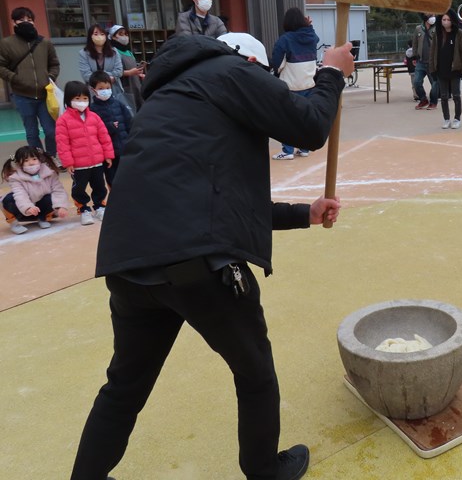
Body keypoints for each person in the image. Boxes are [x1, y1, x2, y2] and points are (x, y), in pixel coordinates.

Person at [69, 32, 353, 480]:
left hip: (128, 262)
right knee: (254, 372)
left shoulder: (168, 96)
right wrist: (332, 72)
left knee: (123, 388)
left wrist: (305, 214)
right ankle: (264, 470)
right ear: (250, 62)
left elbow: (215, 201)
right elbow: (310, 126)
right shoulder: (233, 70)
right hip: (198, 264)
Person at [0, 7, 60, 157]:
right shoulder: (6, 44)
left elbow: (54, 64)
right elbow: (1, 66)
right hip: (22, 96)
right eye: (21, 20)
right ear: (14, 22)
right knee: (32, 132)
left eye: (29, 20)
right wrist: (15, 78)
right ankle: (37, 158)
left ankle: (52, 157)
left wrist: (50, 77)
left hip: (45, 95)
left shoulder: (44, 42)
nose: (26, 22)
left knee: (51, 130)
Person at [56, 80, 114, 226]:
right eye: (77, 98)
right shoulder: (63, 121)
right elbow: (62, 144)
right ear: (68, 99)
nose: (81, 101)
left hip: (97, 161)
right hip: (78, 164)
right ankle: (83, 209)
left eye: (85, 98)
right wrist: (68, 162)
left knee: (99, 185)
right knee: (79, 188)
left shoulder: (94, 117)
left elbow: (104, 137)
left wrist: (108, 155)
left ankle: (100, 206)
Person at [270, 8, 318, 160]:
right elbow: (314, 36)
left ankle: (288, 150)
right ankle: (304, 148)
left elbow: (277, 64)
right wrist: (309, 26)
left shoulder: (285, 39)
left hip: (290, 85)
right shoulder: (311, 37)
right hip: (309, 84)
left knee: (287, 119)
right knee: (305, 118)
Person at [2, 146, 69, 235]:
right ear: (19, 163)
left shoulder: (49, 172)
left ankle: (42, 218)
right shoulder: (15, 177)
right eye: (26, 160)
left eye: (34, 159)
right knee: (8, 199)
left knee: (49, 198)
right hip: (23, 211)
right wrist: (28, 207)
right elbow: (20, 194)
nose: (31, 163)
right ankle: (14, 223)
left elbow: (58, 190)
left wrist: (61, 206)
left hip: (40, 209)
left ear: (39, 159)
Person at [89, 71, 132, 186]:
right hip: (108, 153)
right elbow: (93, 131)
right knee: (112, 179)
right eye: (101, 88)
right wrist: (110, 127)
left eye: (107, 87)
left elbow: (130, 124)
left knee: (128, 177)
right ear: (93, 90)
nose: (105, 90)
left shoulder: (119, 104)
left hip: (124, 149)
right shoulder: (92, 110)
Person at [429, 9, 462, 129]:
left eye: (448, 20)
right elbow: (432, 52)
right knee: (444, 96)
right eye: (444, 19)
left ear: (453, 20)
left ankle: (457, 118)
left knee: (456, 95)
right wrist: (432, 69)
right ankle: (446, 119)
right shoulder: (437, 33)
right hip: (441, 69)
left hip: (455, 69)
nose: (446, 22)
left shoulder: (458, 33)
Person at [108, 24, 145, 111]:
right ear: (113, 37)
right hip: (125, 87)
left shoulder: (128, 52)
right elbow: (113, 72)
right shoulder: (113, 52)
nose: (124, 36)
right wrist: (129, 72)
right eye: (121, 34)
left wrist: (139, 72)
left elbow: (133, 67)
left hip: (136, 85)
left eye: (125, 34)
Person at [410, 12, 439, 110]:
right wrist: (414, 57)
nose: (433, 17)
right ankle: (423, 99)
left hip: (433, 62)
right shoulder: (418, 29)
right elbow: (415, 44)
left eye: (434, 15)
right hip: (421, 61)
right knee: (416, 82)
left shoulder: (438, 28)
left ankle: (433, 102)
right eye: (430, 15)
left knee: (435, 83)